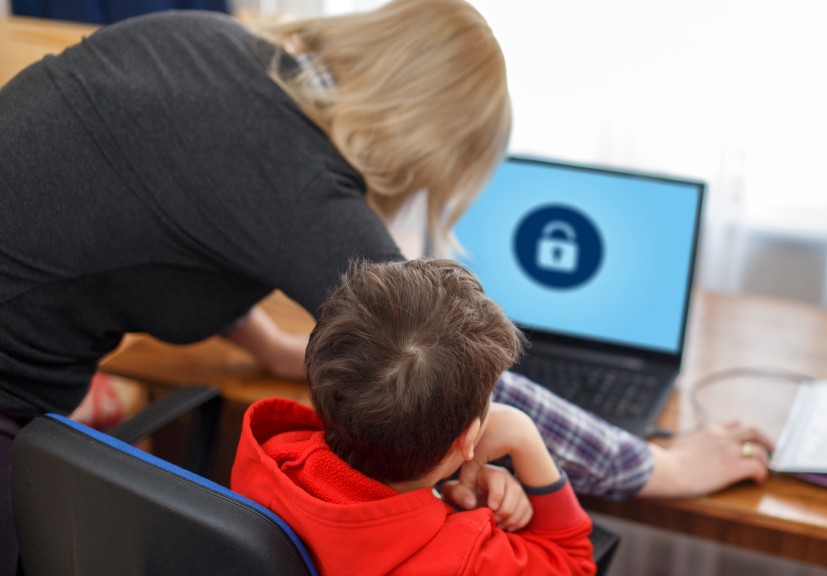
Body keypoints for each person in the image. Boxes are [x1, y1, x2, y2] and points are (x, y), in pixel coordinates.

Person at [0, 1, 769, 572]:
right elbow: (475, 382)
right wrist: (665, 468)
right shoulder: (305, 191)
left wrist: (268, 343)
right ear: (435, 141)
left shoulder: (201, 41)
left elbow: (172, 222)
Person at [232, 258, 595, 575]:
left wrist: (446, 501)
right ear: (468, 440)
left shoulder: (269, 455)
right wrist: (522, 435)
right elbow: (573, 562)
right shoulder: (462, 558)